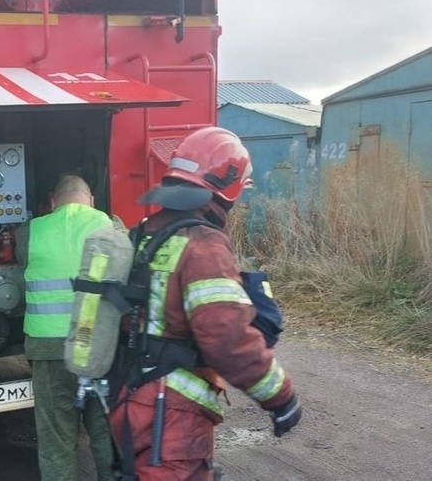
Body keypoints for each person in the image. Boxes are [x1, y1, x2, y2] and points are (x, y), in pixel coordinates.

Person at [109, 127, 302, 481]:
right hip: (171, 416)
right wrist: (281, 396)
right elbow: (227, 338)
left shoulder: (144, 234)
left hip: (131, 397)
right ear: (225, 187)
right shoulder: (203, 243)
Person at [15, 174, 120, 481]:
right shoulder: (111, 226)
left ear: (52, 201)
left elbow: (24, 265)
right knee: (107, 435)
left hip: (50, 351)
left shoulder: (29, 232)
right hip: (99, 349)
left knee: (57, 440)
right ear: (91, 200)